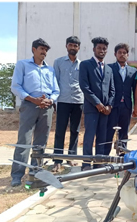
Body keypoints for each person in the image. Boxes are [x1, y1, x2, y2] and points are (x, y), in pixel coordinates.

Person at [10, 38, 60, 186]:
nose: (44, 52)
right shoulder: (23, 65)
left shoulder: (49, 69)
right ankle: (17, 175)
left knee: (41, 142)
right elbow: (16, 86)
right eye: (41, 49)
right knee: (24, 141)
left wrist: (50, 100)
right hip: (29, 106)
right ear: (34, 49)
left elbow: (56, 90)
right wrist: (33, 99)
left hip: (47, 108)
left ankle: (35, 172)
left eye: (46, 50)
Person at [79, 37, 115, 170]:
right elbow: (84, 87)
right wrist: (98, 104)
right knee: (89, 136)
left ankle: (99, 162)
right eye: (99, 48)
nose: (102, 50)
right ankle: (86, 164)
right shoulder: (85, 65)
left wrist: (109, 105)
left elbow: (112, 89)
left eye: (104, 48)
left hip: (105, 110)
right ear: (94, 49)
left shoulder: (109, 69)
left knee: (102, 136)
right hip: (92, 108)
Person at [52, 36, 84, 172]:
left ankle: (71, 157)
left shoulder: (82, 64)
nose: (73, 47)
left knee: (75, 131)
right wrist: (54, 100)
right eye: (71, 45)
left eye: (75, 45)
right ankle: (57, 160)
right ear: (66, 46)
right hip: (63, 100)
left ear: (79, 48)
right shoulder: (58, 62)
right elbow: (55, 81)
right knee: (60, 131)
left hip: (78, 101)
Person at [104, 43, 137, 155]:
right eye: (120, 53)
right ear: (115, 54)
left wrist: (136, 106)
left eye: (124, 53)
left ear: (128, 55)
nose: (122, 55)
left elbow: (134, 89)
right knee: (109, 131)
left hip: (126, 106)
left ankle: (122, 155)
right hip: (112, 105)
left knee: (124, 132)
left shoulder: (133, 71)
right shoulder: (108, 68)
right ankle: (105, 156)